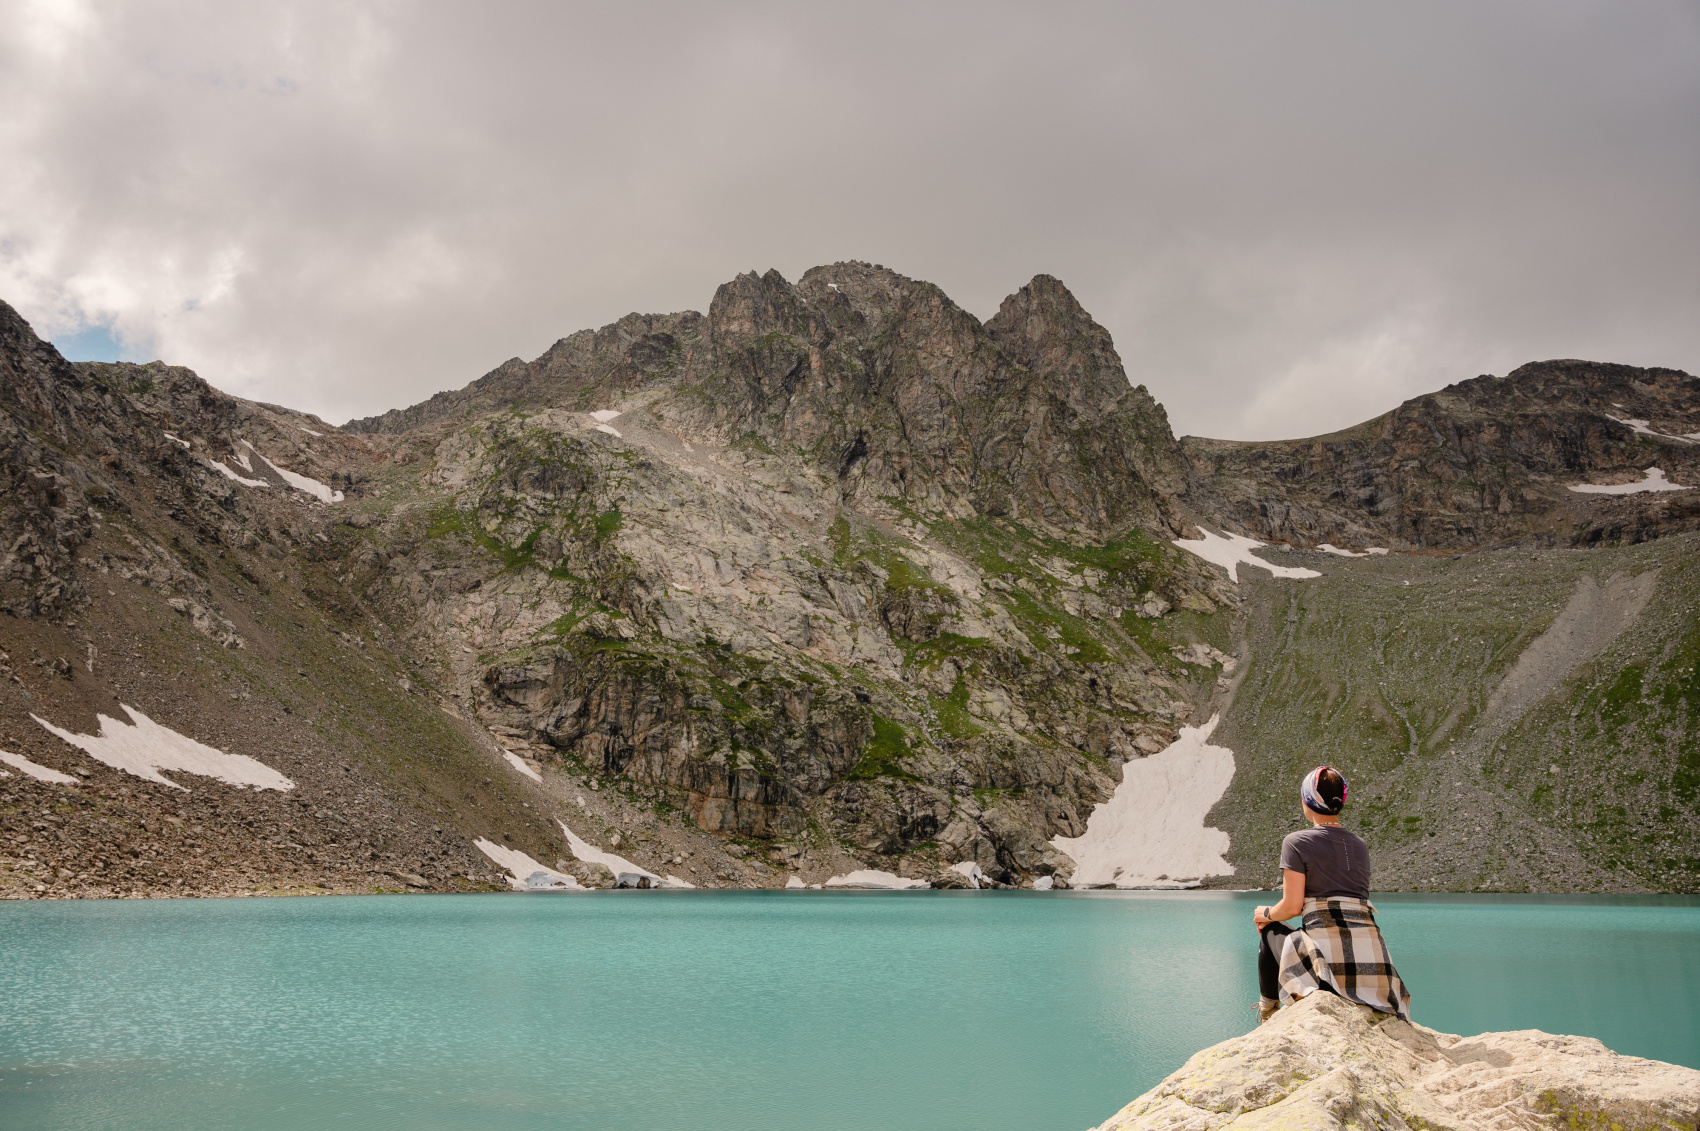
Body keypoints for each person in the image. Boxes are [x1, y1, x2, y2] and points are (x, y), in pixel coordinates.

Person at [1251, 766, 1411, 1024]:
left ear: (1308, 800)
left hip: (1327, 972)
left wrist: (1266, 913)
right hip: (1376, 971)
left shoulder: (1295, 842)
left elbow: (1292, 906)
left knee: (1269, 929)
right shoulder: (1359, 845)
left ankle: (1268, 1012)